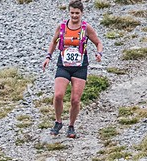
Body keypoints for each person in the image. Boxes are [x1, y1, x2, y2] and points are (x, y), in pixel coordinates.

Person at [41, 0, 104, 139]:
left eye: (77, 13)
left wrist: (99, 53)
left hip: (80, 67)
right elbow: (53, 41)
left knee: (75, 100)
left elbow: (98, 43)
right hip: (63, 65)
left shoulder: (86, 28)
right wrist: (48, 57)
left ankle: (71, 126)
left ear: (82, 13)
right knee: (58, 95)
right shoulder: (62, 26)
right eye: (72, 13)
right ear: (69, 12)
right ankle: (58, 122)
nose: (74, 16)